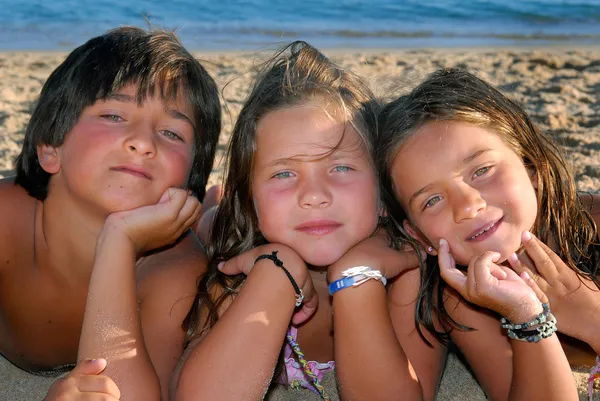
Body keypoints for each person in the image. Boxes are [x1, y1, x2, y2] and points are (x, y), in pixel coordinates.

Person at [171, 41, 444, 401]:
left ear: (383, 193)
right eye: (284, 173)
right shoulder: (237, 265)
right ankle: (216, 199)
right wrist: (276, 270)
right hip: (226, 222)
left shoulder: (407, 268)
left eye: (341, 168)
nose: (314, 195)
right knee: (208, 221)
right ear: (251, 200)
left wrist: (358, 274)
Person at [0, 26, 221, 401]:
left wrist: (119, 239)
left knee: (219, 236)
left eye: (171, 133)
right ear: (51, 147)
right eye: (114, 116)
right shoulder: (6, 220)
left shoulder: (173, 271)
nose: (142, 142)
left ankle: (216, 208)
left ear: (189, 180)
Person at [377, 68, 597, 400]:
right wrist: (526, 316)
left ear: (532, 166)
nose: (467, 206)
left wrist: (591, 315)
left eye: (481, 170)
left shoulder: (593, 223)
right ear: (420, 237)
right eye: (432, 200)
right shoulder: (463, 299)